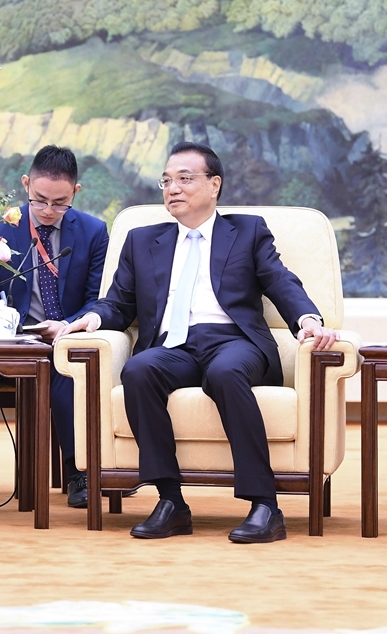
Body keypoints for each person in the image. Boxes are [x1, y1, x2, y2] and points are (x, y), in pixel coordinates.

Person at [57, 141, 339, 542]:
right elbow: (118, 302)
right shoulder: (142, 241)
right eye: (166, 180)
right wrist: (91, 319)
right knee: (138, 370)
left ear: (214, 184)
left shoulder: (247, 232)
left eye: (185, 178)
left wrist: (308, 320)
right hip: (174, 345)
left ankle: (265, 505)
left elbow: (280, 280)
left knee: (224, 373)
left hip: (233, 341)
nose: (173, 188)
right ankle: (171, 502)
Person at [0, 145, 109, 508]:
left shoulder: (94, 232)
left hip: (67, 339)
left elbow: (98, 299)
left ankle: (82, 471)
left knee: (61, 365)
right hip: (14, 345)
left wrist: (66, 325)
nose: (48, 210)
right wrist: (3, 326)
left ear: (76, 192)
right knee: (53, 365)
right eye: (39, 200)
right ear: (26, 184)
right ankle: (78, 471)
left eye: (60, 203)